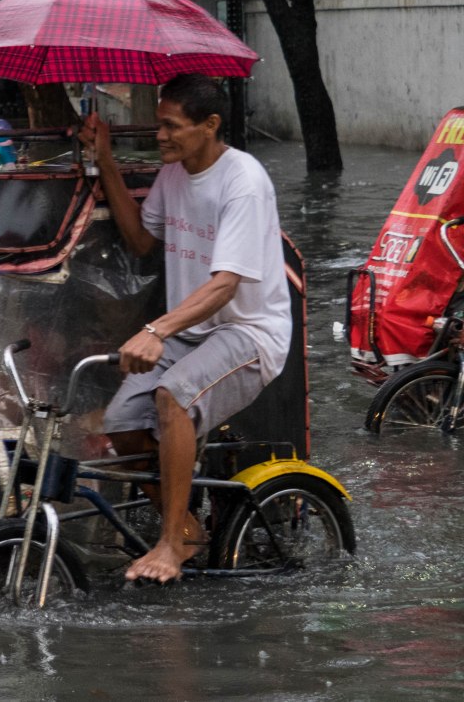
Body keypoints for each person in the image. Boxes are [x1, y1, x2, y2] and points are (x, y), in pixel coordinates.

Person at [79, 73, 291, 583]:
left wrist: (156, 330)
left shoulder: (244, 181)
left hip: (249, 332)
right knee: (121, 421)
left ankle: (171, 544)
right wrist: (104, 159)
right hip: (190, 333)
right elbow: (140, 240)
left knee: (173, 395)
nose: (160, 136)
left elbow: (225, 286)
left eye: (171, 126)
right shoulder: (173, 175)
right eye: (159, 125)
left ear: (210, 125)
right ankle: (190, 528)